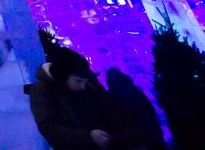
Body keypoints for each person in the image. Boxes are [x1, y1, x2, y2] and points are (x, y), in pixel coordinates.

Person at [28, 47, 162, 149]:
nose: (82, 86)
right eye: (78, 81)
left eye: (84, 82)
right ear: (63, 76)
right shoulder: (42, 91)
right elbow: (49, 129)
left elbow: (111, 109)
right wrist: (88, 137)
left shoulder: (89, 84)